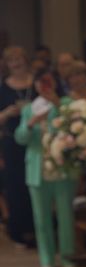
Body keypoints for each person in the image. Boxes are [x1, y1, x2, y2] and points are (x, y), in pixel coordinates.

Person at [14, 69, 77, 267]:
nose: (44, 86)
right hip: (37, 169)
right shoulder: (29, 109)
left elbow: (74, 123)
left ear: (55, 82)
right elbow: (20, 138)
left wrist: (57, 103)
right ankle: (47, 259)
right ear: (35, 85)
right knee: (41, 218)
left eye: (48, 81)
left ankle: (67, 257)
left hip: (62, 168)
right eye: (40, 82)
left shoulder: (65, 103)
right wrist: (31, 123)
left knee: (65, 217)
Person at [0, 46, 35, 247]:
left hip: (36, 140)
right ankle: (18, 231)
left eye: (19, 58)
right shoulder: (3, 88)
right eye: (11, 59)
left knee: (35, 186)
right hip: (12, 142)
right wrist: (7, 113)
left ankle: (35, 229)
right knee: (15, 186)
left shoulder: (36, 84)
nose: (16, 62)